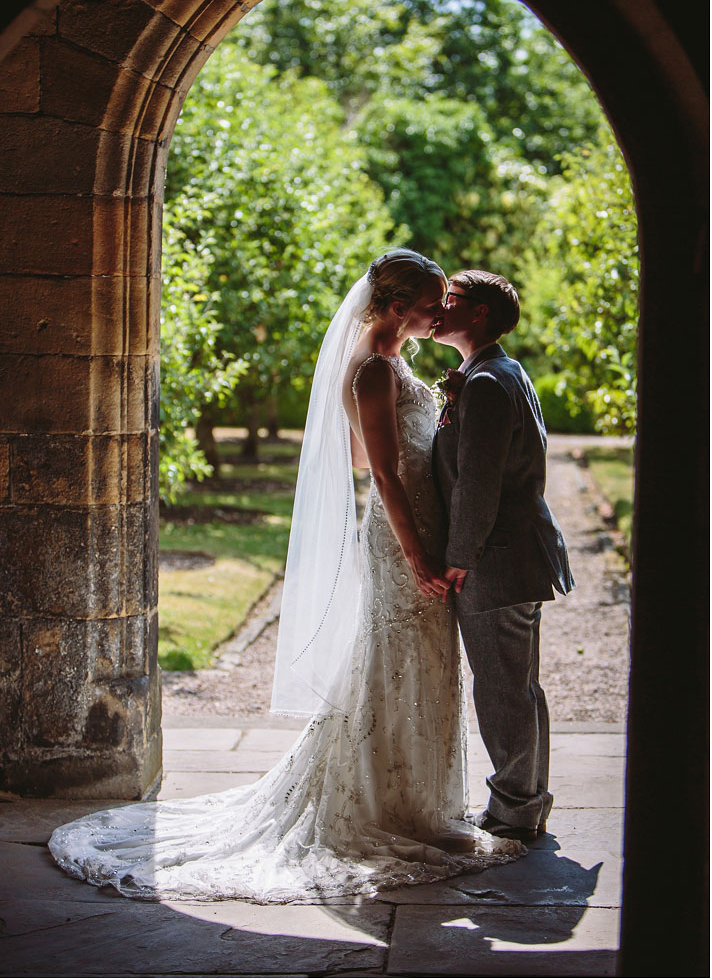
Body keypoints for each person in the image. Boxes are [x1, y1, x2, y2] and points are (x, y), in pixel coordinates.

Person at [49, 250, 524, 902]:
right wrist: (416, 552)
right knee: (398, 660)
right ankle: (387, 806)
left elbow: (372, 450)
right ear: (394, 306)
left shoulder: (392, 363)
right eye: (430, 302)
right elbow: (379, 473)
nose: (441, 312)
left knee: (418, 664)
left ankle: (415, 800)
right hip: (402, 536)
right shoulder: (375, 371)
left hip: (421, 525)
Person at [431, 270, 574, 842]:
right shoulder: (493, 371)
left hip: (497, 559)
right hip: (514, 553)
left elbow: (478, 484)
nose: (441, 307)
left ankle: (514, 811)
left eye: (453, 300)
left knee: (501, 689)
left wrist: (460, 556)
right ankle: (527, 801)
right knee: (517, 686)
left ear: (481, 312)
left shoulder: (489, 382)